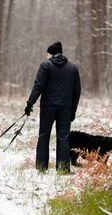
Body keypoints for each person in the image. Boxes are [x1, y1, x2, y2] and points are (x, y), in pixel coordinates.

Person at [24, 41, 81, 174]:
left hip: (47, 108)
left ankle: (41, 167)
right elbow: (77, 91)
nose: (46, 56)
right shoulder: (73, 68)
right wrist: (73, 110)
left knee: (44, 135)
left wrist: (29, 104)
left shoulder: (45, 66)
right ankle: (62, 168)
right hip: (65, 109)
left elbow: (38, 86)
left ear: (51, 53)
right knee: (63, 137)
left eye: (47, 53)